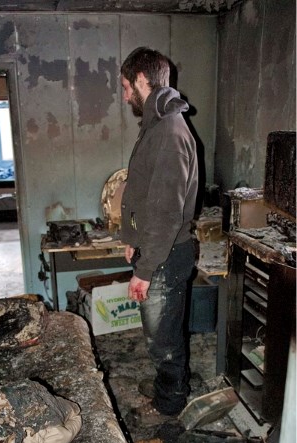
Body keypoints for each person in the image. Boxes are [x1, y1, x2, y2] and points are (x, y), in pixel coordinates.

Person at [120, 47, 198, 420]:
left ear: (140, 80)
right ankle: (171, 385)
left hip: (165, 254)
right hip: (157, 249)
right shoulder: (157, 125)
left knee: (163, 339)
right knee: (162, 331)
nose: (124, 96)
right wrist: (132, 240)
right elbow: (145, 193)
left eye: (124, 86)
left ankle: (170, 404)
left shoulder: (168, 130)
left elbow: (166, 211)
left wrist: (145, 268)